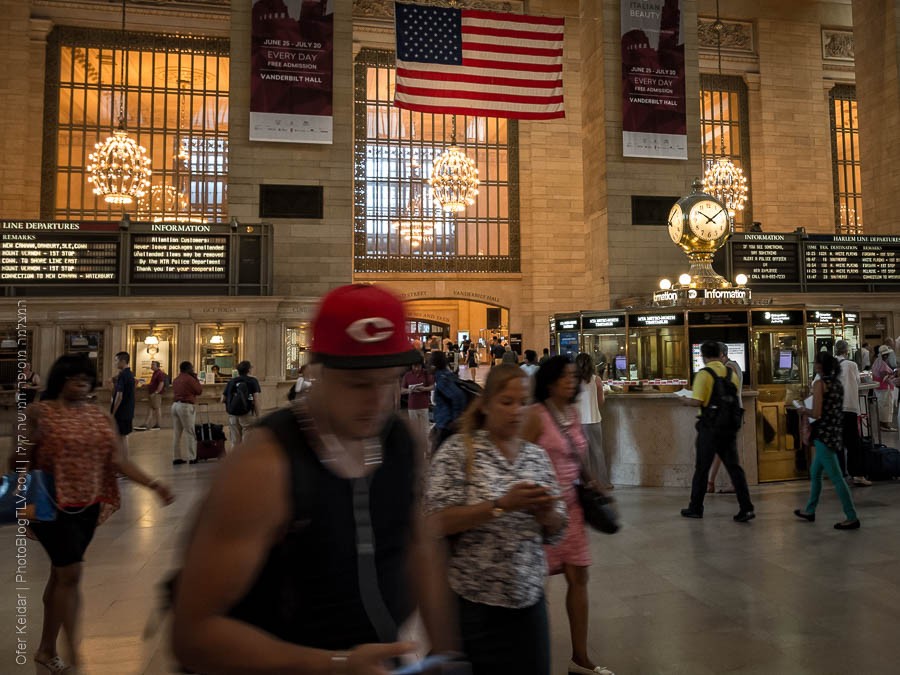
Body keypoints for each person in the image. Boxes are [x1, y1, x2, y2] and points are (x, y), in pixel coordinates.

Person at [172, 284, 457, 674]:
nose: (378, 401)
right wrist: (332, 665)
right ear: (316, 372)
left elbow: (420, 548)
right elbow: (193, 635)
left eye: (389, 380)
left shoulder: (400, 442)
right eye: (358, 384)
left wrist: (446, 654)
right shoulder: (264, 467)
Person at [25, 355, 174, 674]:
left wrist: (154, 484)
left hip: (86, 505)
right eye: (73, 378)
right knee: (71, 575)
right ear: (59, 380)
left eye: (85, 378)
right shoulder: (39, 412)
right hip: (50, 502)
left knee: (60, 573)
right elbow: (18, 460)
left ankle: (45, 649)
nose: (80, 384)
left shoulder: (99, 417)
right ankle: (73, 652)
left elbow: (118, 461)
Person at [426, 364, 567, 675]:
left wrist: (548, 516)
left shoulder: (536, 457)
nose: (516, 411)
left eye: (523, 402)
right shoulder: (459, 452)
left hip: (529, 605)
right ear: (487, 404)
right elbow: (435, 521)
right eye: (506, 402)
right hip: (476, 606)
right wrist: (500, 505)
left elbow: (558, 530)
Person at [523, 356, 615, 675]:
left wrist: (593, 482)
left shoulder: (573, 414)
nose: (571, 381)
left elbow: (578, 455)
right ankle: (534, 654)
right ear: (549, 380)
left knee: (579, 577)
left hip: (573, 509)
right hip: (542, 510)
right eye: (564, 376)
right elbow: (519, 458)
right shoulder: (535, 416)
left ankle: (580, 657)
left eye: (574, 376)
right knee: (538, 585)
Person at [679, 341, 755, 522]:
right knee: (735, 468)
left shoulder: (704, 374)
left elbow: (697, 401)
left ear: (703, 356)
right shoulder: (731, 373)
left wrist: (684, 400)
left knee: (702, 469)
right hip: (729, 427)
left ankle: (695, 507)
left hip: (709, 428)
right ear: (720, 353)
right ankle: (746, 508)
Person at [794, 352, 861, 529]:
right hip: (834, 432)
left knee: (837, 477)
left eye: (816, 362)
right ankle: (809, 510)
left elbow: (816, 413)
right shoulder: (837, 384)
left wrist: (802, 410)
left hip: (823, 435)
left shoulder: (819, 384)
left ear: (819, 366)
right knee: (815, 473)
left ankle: (851, 515)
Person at [707, 343, 742, 494]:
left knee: (723, 450)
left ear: (722, 354)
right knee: (722, 450)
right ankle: (711, 482)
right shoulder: (732, 366)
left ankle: (714, 483)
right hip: (731, 413)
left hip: (729, 413)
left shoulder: (730, 367)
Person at [834, 340, 871, 486]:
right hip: (850, 407)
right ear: (846, 351)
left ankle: (840, 475)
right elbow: (857, 381)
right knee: (853, 443)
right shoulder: (852, 365)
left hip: (836, 409)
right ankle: (856, 474)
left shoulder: (831, 364)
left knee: (838, 443)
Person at [574, 352, 612, 490]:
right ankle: (604, 482)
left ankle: (585, 483)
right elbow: (600, 402)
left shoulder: (573, 381)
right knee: (597, 452)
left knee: (582, 453)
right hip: (594, 419)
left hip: (578, 421)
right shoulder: (596, 380)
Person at [431, 350, 468, 454]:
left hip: (446, 423)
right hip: (444, 422)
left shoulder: (443, 378)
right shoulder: (446, 375)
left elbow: (458, 396)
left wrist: (455, 419)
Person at [222, 360, 262, 449]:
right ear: (249, 370)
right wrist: (259, 416)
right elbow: (256, 400)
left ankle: (235, 461)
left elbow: (223, 399)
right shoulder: (253, 381)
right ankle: (246, 461)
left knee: (235, 442)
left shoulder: (231, 381)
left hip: (233, 415)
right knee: (247, 441)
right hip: (246, 413)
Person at [171, 361, 203, 465]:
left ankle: (176, 457)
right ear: (188, 368)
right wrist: (195, 378)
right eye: (192, 368)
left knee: (177, 433)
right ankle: (192, 457)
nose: (193, 369)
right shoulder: (189, 379)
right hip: (185, 406)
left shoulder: (176, 379)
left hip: (175, 406)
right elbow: (199, 390)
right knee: (190, 432)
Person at [400, 355, 433, 453]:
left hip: (424, 405)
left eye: (418, 366)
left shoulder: (426, 374)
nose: (416, 368)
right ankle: (416, 450)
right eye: (414, 366)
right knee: (414, 430)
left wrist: (425, 389)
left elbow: (432, 386)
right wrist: (409, 390)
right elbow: (401, 390)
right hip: (412, 406)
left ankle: (428, 450)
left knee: (425, 429)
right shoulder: (407, 375)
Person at [110, 351, 136, 454]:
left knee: (121, 436)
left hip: (121, 411)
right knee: (124, 436)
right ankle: (124, 458)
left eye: (116, 361)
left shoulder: (123, 376)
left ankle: (123, 459)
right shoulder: (130, 375)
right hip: (128, 410)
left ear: (123, 361)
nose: (115, 363)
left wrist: (113, 412)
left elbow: (119, 396)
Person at [135, 360, 166, 431]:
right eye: (151, 364)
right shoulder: (155, 373)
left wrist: (157, 392)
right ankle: (146, 424)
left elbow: (161, 383)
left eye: (153, 365)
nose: (151, 366)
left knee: (157, 409)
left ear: (157, 366)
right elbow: (153, 383)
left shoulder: (160, 373)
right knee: (151, 409)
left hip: (156, 394)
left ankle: (158, 425)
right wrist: (146, 385)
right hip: (152, 394)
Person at [873, 345, 897, 432]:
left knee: (882, 406)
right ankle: (885, 425)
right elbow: (885, 377)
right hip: (885, 388)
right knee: (887, 406)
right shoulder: (882, 364)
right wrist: (894, 377)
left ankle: (882, 424)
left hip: (880, 388)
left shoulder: (877, 362)